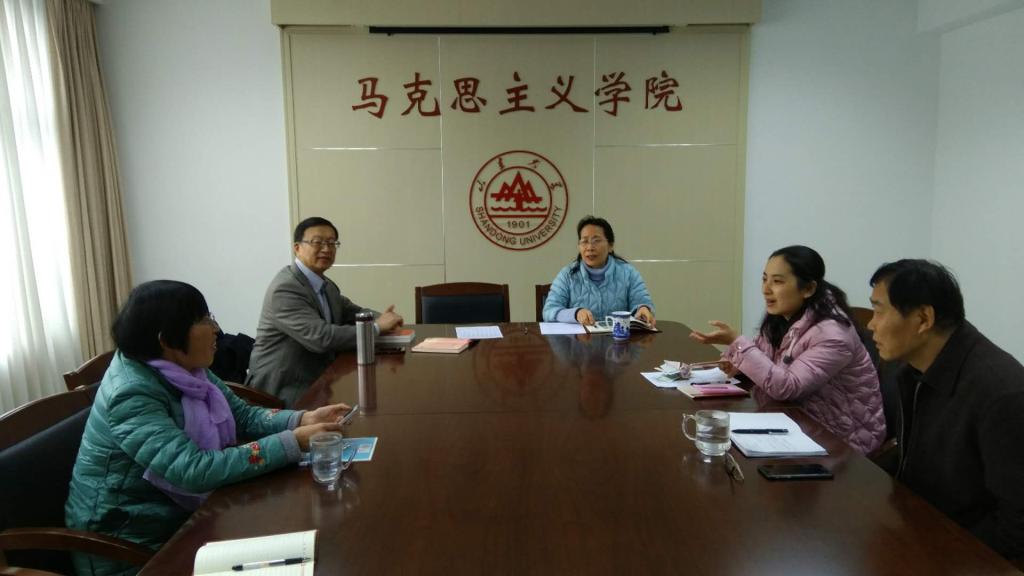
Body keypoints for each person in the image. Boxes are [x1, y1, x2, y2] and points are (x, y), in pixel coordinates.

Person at [65, 280, 350, 576]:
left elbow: (243, 416)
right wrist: (292, 441)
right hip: (130, 543)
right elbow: (193, 470)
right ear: (167, 340)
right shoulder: (131, 393)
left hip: (183, 516)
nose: (216, 328)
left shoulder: (183, 369)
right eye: (204, 320)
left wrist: (302, 420)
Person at [868, 259, 1024, 561]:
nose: (871, 324)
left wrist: (940, 554)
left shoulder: (1001, 394)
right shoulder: (911, 369)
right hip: (918, 527)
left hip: (962, 552)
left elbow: (1016, 528)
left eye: (879, 310)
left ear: (923, 319)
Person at [690, 245, 885, 454]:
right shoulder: (782, 318)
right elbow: (763, 358)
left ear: (808, 289)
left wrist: (738, 343)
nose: (766, 289)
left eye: (777, 281)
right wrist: (736, 362)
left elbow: (786, 388)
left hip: (842, 440)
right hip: (797, 425)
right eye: (764, 279)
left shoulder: (833, 335)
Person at [247, 217, 404, 406]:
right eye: (317, 242)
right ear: (297, 248)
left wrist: (385, 318)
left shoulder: (325, 285)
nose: (326, 249)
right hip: (283, 390)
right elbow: (321, 338)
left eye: (331, 243)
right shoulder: (286, 289)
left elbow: (352, 312)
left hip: (319, 379)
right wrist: (377, 327)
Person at [542, 216, 655, 326]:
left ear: (610, 246)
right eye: (584, 241)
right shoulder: (567, 275)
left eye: (596, 241)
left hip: (618, 338)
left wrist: (643, 309)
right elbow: (549, 310)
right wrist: (575, 314)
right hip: (579, 338)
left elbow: (641, 302)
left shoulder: (628, 273)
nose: (590, 247)